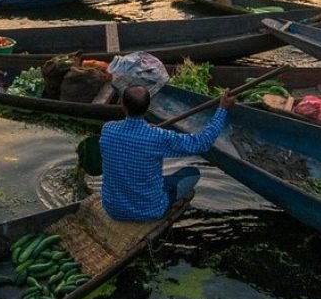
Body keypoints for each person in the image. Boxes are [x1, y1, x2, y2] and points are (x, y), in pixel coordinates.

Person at [99, 84, 236, 222]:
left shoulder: (108, 129)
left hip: (112, 209)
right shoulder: (158, 137)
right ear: (148, 107)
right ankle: (169, 203)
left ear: (123, 106)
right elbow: (201, 143)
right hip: (149, 211)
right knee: (192, 173)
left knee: (152, 176)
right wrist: (222, 110)